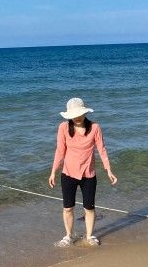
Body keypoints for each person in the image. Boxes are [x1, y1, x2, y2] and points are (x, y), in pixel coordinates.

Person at [49, 97, 117, 247]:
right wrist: (53, 171)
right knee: (68, 208)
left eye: (79, 114)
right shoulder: (63, 128)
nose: (77, 118)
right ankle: (68, 236)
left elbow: (102, 150)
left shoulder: (95, 128)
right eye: (74, 115)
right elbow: (60, 151)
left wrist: (109, 170)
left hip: (88, 175)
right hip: (68, 174)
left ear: (85, 113)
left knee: (89, 208)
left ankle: (89, 236)